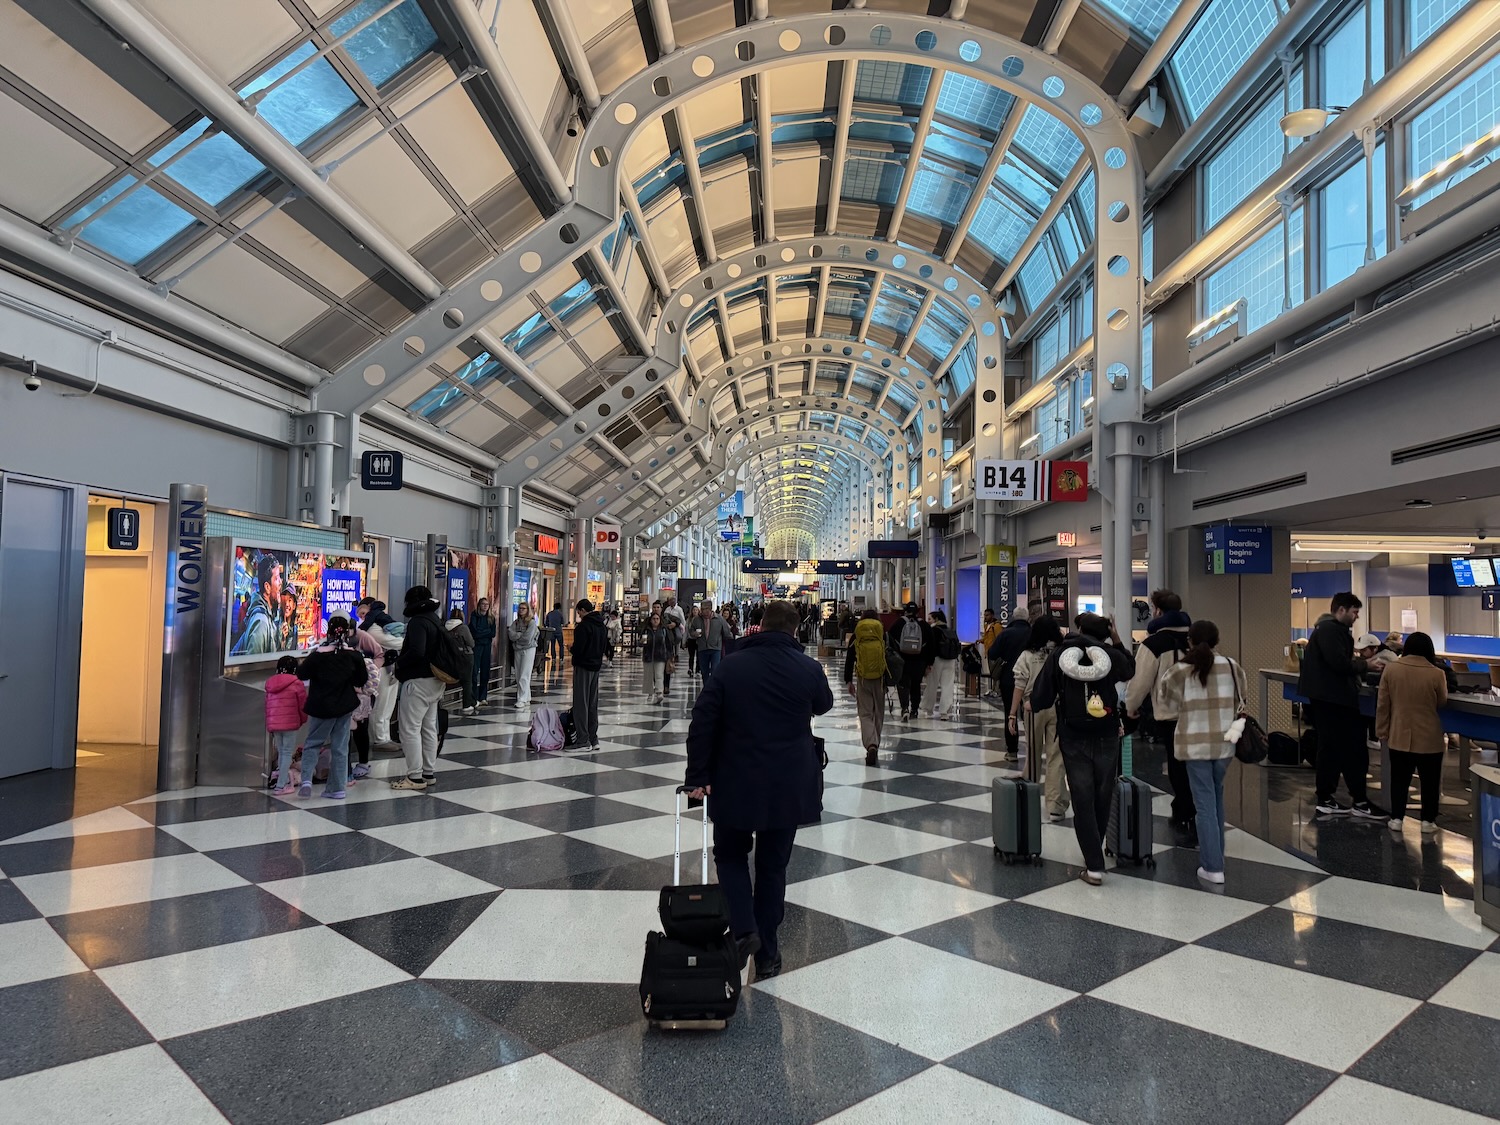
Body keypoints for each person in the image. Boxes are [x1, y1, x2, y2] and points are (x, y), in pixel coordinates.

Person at [685, 600, 834, 979]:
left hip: (736, 778)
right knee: (772, 867)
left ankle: (743, 930)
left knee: (731, 855)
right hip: (788, 782)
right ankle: (767, 954)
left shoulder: (731, 666)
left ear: (760, 626)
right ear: (795, 630)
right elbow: (824, 704)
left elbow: (702, 721)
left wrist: (698, 775)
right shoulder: (808, 667)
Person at [1031, 613, 1135, 886]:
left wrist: (1035, 705)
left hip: (1073, 734)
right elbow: (1129, 671)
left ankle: (1094, 863)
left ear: (1078, 628)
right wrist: (1117, 638)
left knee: (1082, 795)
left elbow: (1041, 695)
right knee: (1103, 792)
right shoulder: (1110, 653)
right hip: (1107, 733)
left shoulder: (1062, 654)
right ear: (1105, 631)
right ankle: (1094, 856)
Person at [1159, 620, 1247, 885]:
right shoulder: (1233, 667)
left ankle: (1213, 866)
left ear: (1190, 641)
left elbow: (1169, 702)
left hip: (1194, 745)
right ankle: (1216, 857)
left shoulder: (1180, 671)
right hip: (1224, 745)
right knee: (1216, 800)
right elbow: (1242, 699)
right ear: (1217, 640)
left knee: (1205, 805)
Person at [1298, 593, 1383, 818]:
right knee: (1349, 748)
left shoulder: (1325, 631)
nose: (1356, 617)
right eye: (1354, 612)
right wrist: (1365, 665)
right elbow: (1338, 663)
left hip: (1327, 698)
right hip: (1334, 699)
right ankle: (1353, 800)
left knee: (1332, 748)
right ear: (1342, 610)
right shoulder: (1331, 631)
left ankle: (1331, 797)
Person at [1125, 589, 1196, 845]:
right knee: (1196, 762)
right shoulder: (1195, 639)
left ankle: (1185, 809)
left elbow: (1141, 680)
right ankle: (1195, 806)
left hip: (1171, 713)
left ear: (1157, 611)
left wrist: (1130, 707)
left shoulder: (1153, 643)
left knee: (1177, 763)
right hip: (1199, 713)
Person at [1376, 631, 1449, 835]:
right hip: (1429, 736)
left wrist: (1382, 731)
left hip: (1399, 735)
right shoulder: (1437, 673)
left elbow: (1383, 705)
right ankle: (1427, 821)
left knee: (1399, 779)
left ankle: (1397, 818)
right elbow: (1441, 701)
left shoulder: (1391, 670)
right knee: (1430, 781)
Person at [295, 613, 368, 800]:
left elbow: (301, 674)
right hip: (344, 707)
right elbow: (361, 679)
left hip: (320, 707)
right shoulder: (353, 656)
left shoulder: (318, 655)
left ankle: (306, 782)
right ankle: (337, 788)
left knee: (312, 744)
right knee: (340, 747)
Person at [1011, 615, 1066, 820]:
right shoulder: (1062, 654)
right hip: (1058, 707)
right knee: (1056, 756)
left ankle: (1031, 797)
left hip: (1032, 706)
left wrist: (1011, 713)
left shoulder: (1027, 655)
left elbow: (1020, 684)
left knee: (1033, 752)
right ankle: (1055, 804)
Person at [391, 585, 444, 791]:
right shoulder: (435, 620)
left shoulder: (418, 622)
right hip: (436, 680)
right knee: (429, 728)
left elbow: (417, 650)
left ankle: (415, 775)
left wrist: (399, 663)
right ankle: (428, 772)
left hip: (418, 681)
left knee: (410, 729)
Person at [988, 602, 1039, 758]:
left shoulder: (1005, 633)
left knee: (1011, 714)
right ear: (1027, 618)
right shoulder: (1034, 633)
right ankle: (1033, 751)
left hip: (1009, 679)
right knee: (1030, 714)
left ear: (1013, 617)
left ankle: (1012, 751)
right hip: (1032, 680)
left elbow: (992, 654)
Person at [355, 597, 403, 747]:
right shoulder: (373, 628)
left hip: (388, 668)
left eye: (363, 613)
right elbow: (396, 642)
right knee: (382, 705)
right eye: (359, 615)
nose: (362, 617)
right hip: (381, 670)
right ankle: (380, 738)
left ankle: (384, 736)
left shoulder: (375, 625)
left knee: (387, 705)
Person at [844, 610, 889, 765]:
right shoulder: (882, 634)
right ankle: (875, 743)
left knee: (865, 713)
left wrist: (848, 680)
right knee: (878, 713)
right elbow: (889, 656)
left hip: (863, 678)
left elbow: (850, 658)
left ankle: (871, 744)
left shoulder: (857, 634)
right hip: (880, 679)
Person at [266, 655, 308, 796]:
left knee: (281, 752)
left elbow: (268, 706)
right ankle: (281, 785)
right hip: (290, 724)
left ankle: (280, 780)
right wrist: (302, 720)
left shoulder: (270, 683)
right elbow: (302, 705)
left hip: (275, 724)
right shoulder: (297, 683)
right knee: (287, 753)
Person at [570, 599, 608, 750]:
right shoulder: (602, 626)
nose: (578, 614)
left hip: (583, 667)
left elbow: (579, 649)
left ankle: (582, 739)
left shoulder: (583, 627)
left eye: (578, 611)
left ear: (583, 610)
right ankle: (593, 738)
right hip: (596, 667)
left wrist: (571, 649)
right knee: (592, 703)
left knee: (581, 703)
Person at [887, 602, 934, 720]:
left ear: (906, 610)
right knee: (916, 685)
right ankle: (914, 710)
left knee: (903, 684)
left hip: (902, 661)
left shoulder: (899, 623)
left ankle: (904, 708)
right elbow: (931, 645)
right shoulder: (924, 625)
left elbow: (889, 640)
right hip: (919, 661)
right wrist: (929, 662)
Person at [231, 554, 284, 656]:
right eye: (277, 578)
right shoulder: (261, 623)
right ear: (267, 587)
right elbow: (253, 667)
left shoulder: (267, 615)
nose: (281, 582)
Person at [923, 609, 961, 721]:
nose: (928, 621)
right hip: (950, 660)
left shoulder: (933, 630)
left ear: (936, 619)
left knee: (932, 684)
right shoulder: (950, 630)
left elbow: (930, 648)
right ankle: (944, 711)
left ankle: (928, 708)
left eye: (929, 619)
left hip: (937, 660)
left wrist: (927, 663)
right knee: (948, 685)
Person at [640, 608, 678, 704]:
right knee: (648, 676)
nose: (655, 620)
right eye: (654, 619)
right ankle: (649, 693)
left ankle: (659, 692)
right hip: (648, 656)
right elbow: (640, 642)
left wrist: (670, 656)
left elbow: (668, 643)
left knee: (659, 675)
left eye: (657, 619)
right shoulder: (646, 630)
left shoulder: (664, 630)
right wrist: (642, 642)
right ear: (650, 620)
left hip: (660, 656)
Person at [446, 610, 478, 715]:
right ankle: (466, 705)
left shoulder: (445, 627)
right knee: (467, 681)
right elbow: (471, 643)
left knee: (460, 679)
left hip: (452, 656)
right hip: (466, 656)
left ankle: (473, 701)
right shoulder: (463, 627)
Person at [508, 603, 539, 707]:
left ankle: (521, 698)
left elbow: (527, 638)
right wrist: (518, 636)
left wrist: (517, 639)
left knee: (524, 674)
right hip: (517, 649)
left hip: (528, 649)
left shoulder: (531, 623)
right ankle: (526, 697)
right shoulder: (516, 622)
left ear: (527, 610)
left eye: (523, 608)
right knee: (518, 674)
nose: (521, 610)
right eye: (520, 608)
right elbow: (511, 634)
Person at [689, 600, 728, 680]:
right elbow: (691, 630)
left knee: (715, 670)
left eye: (705, 609)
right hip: (702, 648)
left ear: (710, 609)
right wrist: (694, 634)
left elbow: (726, 632)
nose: (703, 611)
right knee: (704, 671)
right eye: (702, 609)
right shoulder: (697, 619)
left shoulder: (719, 619)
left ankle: (713, 688)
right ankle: (707, 687)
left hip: (715, 648)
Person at [469, 598, 497, 706]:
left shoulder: (491, 618)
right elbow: (475, 632)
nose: (485, 606)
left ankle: (483, 696)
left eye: (487, 604)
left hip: (486, 646)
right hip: (477, 646)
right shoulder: (474, 615)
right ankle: (474, 697)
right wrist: (486, 632)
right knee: (474, 672)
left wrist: (482, 632)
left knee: (485, 671)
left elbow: (493, 633)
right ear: (479, 605)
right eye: (483, 604)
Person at [979, 608, 1003, 694]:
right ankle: (993, 689)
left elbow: (999, 639)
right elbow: (987, 638)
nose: (985, 617)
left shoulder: (996, 626)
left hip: (995, 653)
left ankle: (997, 690)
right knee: (992, 672)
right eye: (984, 615)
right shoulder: (987, 626)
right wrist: (981, 641)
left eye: (987, 615)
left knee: (996, 673)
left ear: (992, 615)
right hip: (989, 652)